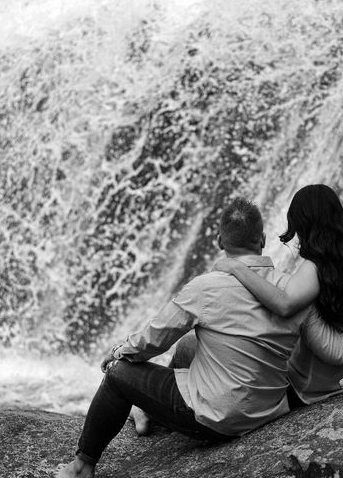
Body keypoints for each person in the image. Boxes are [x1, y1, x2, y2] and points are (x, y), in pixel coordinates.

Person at [57, 198, 316, 478]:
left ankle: (82, 466)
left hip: (220, 419)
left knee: (119, 373)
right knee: (188, 346)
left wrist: (121, 351)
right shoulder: (291, 288)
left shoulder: (205, 288)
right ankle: (149, 413)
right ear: (263, 239)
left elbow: (155, 339)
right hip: (267, 409)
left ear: (219, 241)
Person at [214, 184, 343, 405]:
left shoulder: (313, 268)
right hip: (342, 375)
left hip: (305, 387)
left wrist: (236, 268)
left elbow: (284, 304)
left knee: (191, 348)